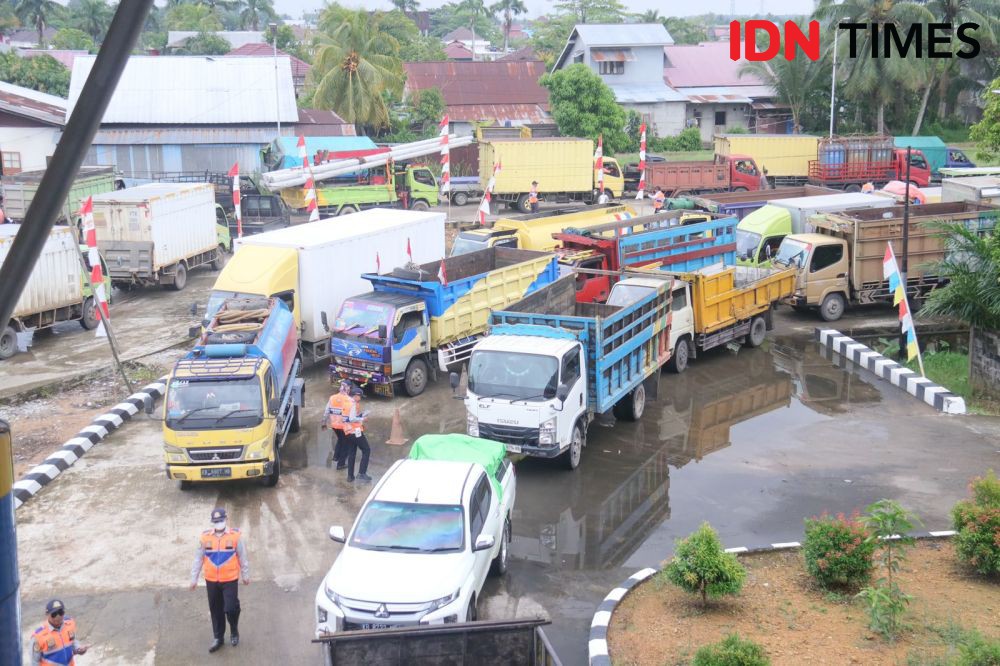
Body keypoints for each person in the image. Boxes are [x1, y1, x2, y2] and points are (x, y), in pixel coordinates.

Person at [191, 508, 249, 654]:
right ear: (213, 523)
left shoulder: (235, 536)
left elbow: (242, 556)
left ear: (226, 520)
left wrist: (245, 574)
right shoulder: (205, 538)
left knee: (230, 608)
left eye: (221, 521)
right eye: (216, 522)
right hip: (211, 580)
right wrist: (194, 578)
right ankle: (218, 638)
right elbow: (198, 559)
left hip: (230, 579)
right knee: (216, 610)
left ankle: (234, 630)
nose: (219, 524)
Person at [32, 599, 89, 665]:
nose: (58, 616)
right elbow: (34, 662)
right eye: (54, 614)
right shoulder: (38, 636)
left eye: (60, 612)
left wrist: (78, 649)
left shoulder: (70, 624)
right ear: (47, 615)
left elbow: (72, 642)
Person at [343, 386, 372, 483]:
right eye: (360, 397)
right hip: (355, 432)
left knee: (352, 453)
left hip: (347, 431)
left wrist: (359, 415)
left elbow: (347, 417)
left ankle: (350, 476)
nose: (360, 399)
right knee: (366, 450)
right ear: (356, 396)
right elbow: (351, 418)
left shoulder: (346, 402)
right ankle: (361, 473)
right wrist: (362, 418)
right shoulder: (353, 404)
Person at [323, 380, 352, 470]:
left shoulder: (332, 398)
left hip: (334, 425)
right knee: (346, 444)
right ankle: (341, 464)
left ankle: (336, 457)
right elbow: (351, 415)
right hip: (344, 426)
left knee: (340, 440)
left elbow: (327, 410)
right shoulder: (350, 400)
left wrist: (324, 422)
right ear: (348, 389)